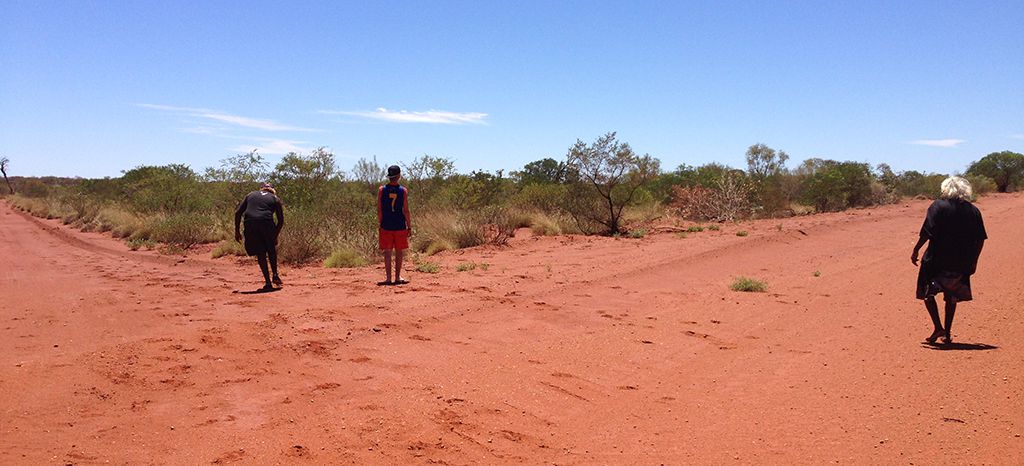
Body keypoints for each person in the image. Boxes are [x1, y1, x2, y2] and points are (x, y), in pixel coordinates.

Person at [911, 176, 986, 344]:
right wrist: (974, 260)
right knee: (951, 296)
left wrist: (916, 249)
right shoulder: (973, 210)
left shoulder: (937, 206)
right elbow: (980, 238)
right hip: (960, 260)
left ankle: (938, 327)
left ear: (945, 189)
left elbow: (926, 232)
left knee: (927, 291)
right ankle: (947, 333)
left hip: (935, 259)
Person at [235, 182, 285, 291]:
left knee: (260, 252)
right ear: (272, 190)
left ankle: (268, 283)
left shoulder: (250, 195)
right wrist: (274, 236)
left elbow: (238, 213)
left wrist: (237, 231)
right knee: (271, 249)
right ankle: (275, 274)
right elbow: (281, 221)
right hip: (266, 222)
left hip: (250, 223)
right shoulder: (275, 199)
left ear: (261, 189)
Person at [377, 165, 412, 286]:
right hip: (399, 224)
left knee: (387, 252)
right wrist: (409, 225)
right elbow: (406, 210)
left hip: (386, 224)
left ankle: (388, 278)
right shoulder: (403, 191)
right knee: (399, 251)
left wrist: (380, 223)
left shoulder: (382, 190)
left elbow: (379, 209)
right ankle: (397, 277)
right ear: (399, 176)